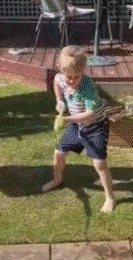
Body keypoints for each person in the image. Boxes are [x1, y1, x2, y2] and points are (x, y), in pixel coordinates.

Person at [43, 45, 116, 213]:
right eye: (69, 76)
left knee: (99, 163)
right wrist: (59, 100)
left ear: (83, 70)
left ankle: (110, 197)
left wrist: (65, 119)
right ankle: (57, 179)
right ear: (61, 70)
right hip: (77, 124)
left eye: (76, 77)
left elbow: (90, 114)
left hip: (95, 126)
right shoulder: (61, 78)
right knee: (59, 153)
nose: (72, 81)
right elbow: (55, 81)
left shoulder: (88, 87)